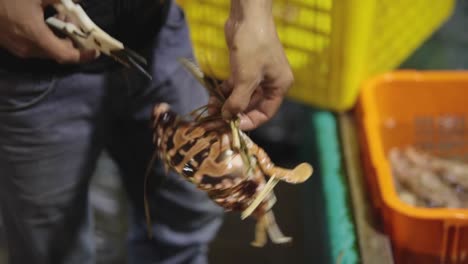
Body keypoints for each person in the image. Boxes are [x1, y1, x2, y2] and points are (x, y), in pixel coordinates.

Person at [0, 0, 293, 263]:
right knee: (51, 245)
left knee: (190, 210)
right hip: (27, 67)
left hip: (157, 33)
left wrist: (253, 15)